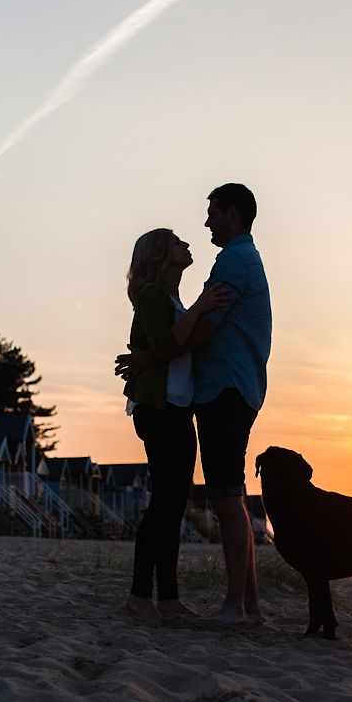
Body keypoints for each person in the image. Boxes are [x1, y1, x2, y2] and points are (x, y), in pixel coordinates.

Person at [118, 183, 271, 626]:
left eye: (212, 214)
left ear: (233, 214)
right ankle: (164, 599)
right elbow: (181, 335)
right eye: (178, 242)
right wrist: (153, 352)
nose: (203, 226)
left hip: (216, 392)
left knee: (217, 497)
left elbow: (195, 333)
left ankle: (231, 606)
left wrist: (147, 356)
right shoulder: (162, 294)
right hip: (174, 406)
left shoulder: (232, 262)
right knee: (202, 499)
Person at [122, 228, 231, 625]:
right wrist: (202, 307)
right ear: (158, 254)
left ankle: (168, 598)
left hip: (178, 406)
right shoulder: (152, 295)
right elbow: (167, 346)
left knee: (172, 506)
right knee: (164, 504)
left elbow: (170, 347)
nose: (186, 245)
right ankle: (140, 596)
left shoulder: (172, 298)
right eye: (176, 242)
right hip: (160, 407)